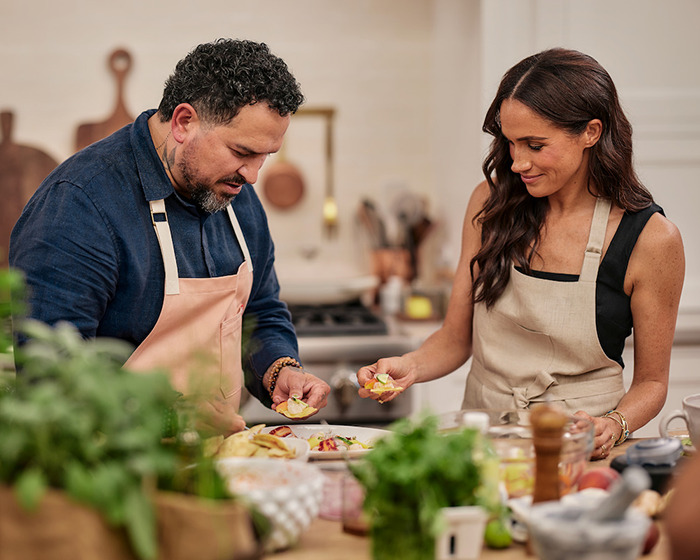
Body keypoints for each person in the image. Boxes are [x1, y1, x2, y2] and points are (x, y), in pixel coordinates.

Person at [357, 48, 685, 460]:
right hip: (481, 446)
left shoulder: (651, 240)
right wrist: (412, 366)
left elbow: (652, 384)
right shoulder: (490, 205)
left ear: (591, 132)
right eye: (510, 143)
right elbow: (457, 339)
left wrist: (615, 424)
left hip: (575, 454)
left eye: (535, 144)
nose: (518, 162)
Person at [10, 38, 330, 435]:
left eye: (265, 156)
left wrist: (279, 369)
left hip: (217, 465)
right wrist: (170, 417)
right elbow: (50, 373)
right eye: (242, 152)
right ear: (183, 122)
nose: (252, 175)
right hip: (116, 469)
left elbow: (258, 311)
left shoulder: (234, 194)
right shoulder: (79, 203)